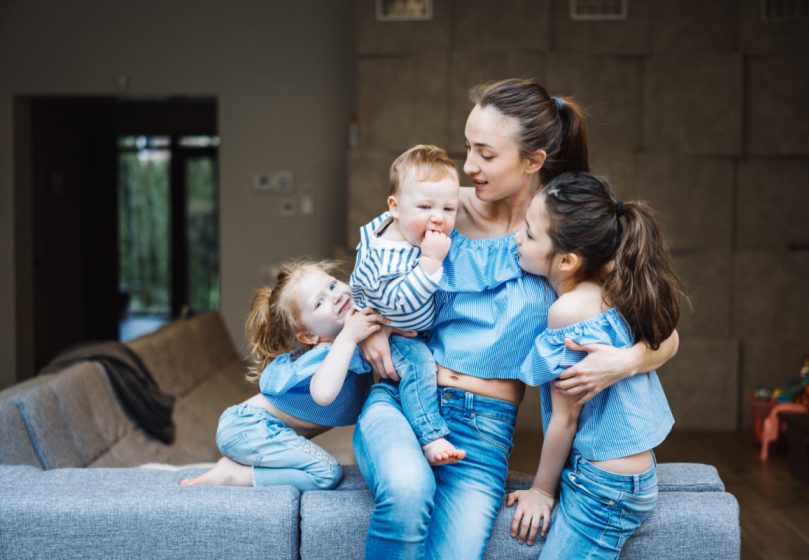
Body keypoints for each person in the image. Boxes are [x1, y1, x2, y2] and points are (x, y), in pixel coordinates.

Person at [353, 78, 680, 559]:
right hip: (404, 397)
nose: (468, 166)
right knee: (405, 491)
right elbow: (365, 283)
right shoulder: (437, 207)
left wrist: (623, 363)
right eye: (467, 148)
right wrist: (374, 324)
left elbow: (661, 333)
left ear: (534, 161)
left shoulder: (557, 235)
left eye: (485, 154)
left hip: (481, 433)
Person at [507, 171, 684, 557]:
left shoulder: (568, 311)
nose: (517, 238)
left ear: (568, 260)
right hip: (628, 471)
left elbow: (564, 419)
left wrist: (541, 490)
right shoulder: (617, 288)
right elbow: (669, 337)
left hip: (605, 485)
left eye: (530, 234)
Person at [180, 260, 381, 490]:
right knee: (326, 473)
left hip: (249, 428)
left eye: (332, 285)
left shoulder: (349, 343)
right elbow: (324, 393)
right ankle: (233, 476)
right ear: (309, 337)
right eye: (319, 302)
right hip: (248, 427)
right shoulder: (326, 353)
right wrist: (348, 337)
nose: (335, 296)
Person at [350, 144, 465, 465]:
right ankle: (430, 436)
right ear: (395, 207)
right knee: (420, 366)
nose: (438, 219)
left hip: (408, 326)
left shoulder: (396, 225)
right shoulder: (388, 255)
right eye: (426, 206)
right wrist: (430, 262)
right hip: (395, 329)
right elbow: (400, 306)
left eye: (448, 209)